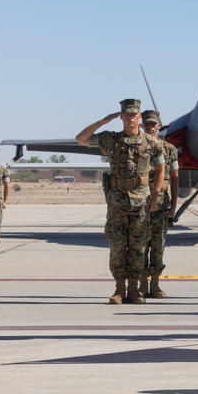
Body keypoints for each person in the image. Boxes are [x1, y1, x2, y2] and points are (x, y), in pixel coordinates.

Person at [76, 99, 165, 304]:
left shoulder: (152, 143)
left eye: (134, 114)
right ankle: (118, 290)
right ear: (122, 116)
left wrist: (155, 197)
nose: (131, 118)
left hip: (141, 201)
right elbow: (80, 139)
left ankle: (134, 290)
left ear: (139, 117)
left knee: (138, 247)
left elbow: (161, 169)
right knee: (117, 246)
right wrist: (103, 121)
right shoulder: (111, 139)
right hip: (117, 201)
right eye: (127, 114)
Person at [140, 110, 179, 298]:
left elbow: (174, 177)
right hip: (140, 203)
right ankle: (141, 284)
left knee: (158, 245)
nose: (150, 127)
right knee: (140, 245)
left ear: (158, 126)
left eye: (153, 124)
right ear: (142, 126)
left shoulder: (169, 149)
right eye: (147, 124)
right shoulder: (138, 148)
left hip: (162, 204)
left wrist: (173, 206)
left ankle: (154, 284)